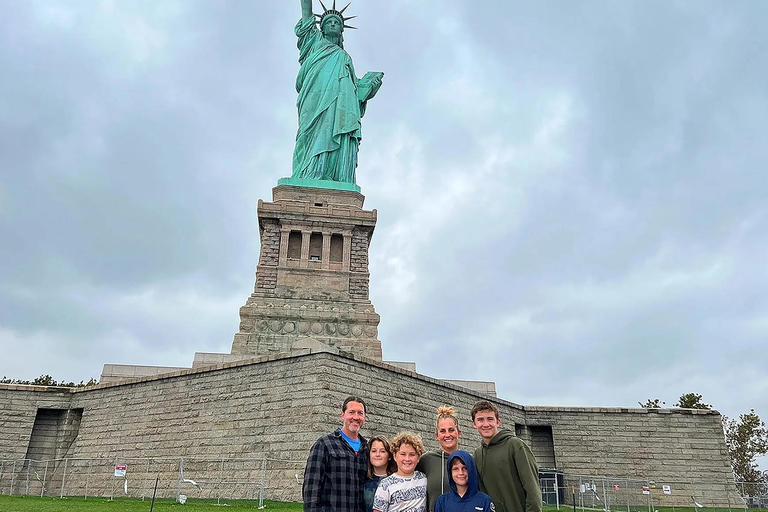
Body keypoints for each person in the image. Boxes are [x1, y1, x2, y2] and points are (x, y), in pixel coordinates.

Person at [292, 0, 383, 184]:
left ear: (341, 30)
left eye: (337, 23)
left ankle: (335, 176)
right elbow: (306, 10)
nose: (333, 24)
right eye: (329, 22)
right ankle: (307, 173)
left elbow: (354, 88)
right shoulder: (314, 42)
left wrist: (368, 87)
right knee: (309, 135)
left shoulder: (344, 57)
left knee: (338, 133)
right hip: (315, 97)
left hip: (341, 106)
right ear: (322, 28)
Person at [471, 401, 542, 512]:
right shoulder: (477, 454)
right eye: (480, 420)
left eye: (490, 419)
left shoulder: (515, 445)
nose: (485, 424)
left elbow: (532, 490)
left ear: (498, 422)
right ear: (474, 424)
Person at [303, 396, 369, 512]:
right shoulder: (324, 444)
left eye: (360, 413)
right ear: (342, 415)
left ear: (364, 417)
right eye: (351, 412)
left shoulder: (367, 448)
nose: (356, 417)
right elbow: (311, 489)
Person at [417, 406, 463, 511]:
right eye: (443, 431)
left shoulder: (468, 461)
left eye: (451, 430)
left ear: (458, 433)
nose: (447, 435)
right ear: (437, 435)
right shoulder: (427, 460)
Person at [373, 432, 428, 512]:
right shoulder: (385, 485)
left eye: (412, 455)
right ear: (395, 456)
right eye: (403, 454)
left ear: (418, 458)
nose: (407, 459)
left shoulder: (424, 479)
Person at [365, 435, 397, 512]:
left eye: (382, 451)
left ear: (389, 456)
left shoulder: (397, 481)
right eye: (374, 451)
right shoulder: (364, 480)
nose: (377, 454)